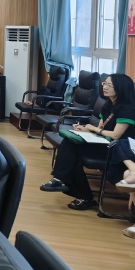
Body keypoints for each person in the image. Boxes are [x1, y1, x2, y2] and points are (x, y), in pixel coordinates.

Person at [40, 73, 135, 210]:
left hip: (117, 152)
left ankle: (76, 190)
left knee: (73, 153)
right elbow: (101, 128)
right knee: (71, 145)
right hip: (104, 144)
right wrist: (86, 129)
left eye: (109, 85)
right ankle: (63, 182)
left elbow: (115, 135)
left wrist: (93, 129)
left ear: (120, 88)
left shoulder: (128, 109)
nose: (104, 87)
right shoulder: (108, 104)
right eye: (104, 83)